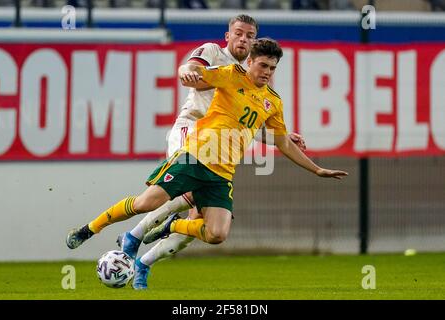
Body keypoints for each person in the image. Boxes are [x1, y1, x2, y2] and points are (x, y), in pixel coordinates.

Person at [68, 37, 348, 289]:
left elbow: (283, 142)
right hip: (195, 157)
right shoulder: (231, 75)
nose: (267, 73)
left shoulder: (272, 102)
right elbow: (198, 74)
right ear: (250, 61)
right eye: (263, 65)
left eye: (272, 68)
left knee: (217, 234)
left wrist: (317, 169)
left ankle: (171, 227)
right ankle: (89, 229)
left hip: (221, 174)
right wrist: (188, 72)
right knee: (146, 204)